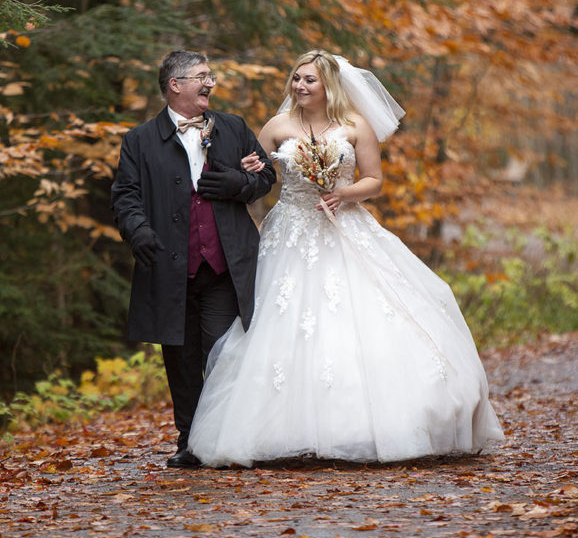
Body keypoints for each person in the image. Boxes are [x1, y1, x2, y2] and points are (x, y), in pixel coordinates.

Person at [188, 50, 504, 467]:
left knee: (361, 318)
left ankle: (366, 426)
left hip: (344, 225)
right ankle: (281, 428)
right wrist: (250, 167)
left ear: (329, 87)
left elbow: (374, 179)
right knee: (280, 321)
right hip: (291, 230)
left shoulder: (356, 126)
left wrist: (344, 194)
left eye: (310, 81)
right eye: (296, 78)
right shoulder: (277, 126)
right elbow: (256, 175)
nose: (300, 86)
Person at [111, 50, 276, 467]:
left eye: (211, 76)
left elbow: (265, 179)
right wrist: (139, 232)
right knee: (180, 358)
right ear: (175, 85)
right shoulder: (139, 140)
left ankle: (223, 437)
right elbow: (125, 197)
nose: (211, 83)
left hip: (223, 265)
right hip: (168, 265)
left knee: (220, 352)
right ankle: (189, 441)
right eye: (202, 76)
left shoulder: (234, 127)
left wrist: (237, 182)